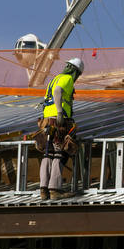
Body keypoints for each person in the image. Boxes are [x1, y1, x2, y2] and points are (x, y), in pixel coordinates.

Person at [34, 57, 84, 200]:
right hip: (58, 120)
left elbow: (51, 93)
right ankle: (55, 190)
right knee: (60, 153)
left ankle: (44, 190)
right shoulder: (67, 79)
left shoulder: (55, 78)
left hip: (47, 120)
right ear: (76, 72)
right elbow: (57, 92)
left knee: (48, 154)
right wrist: (60, 112)